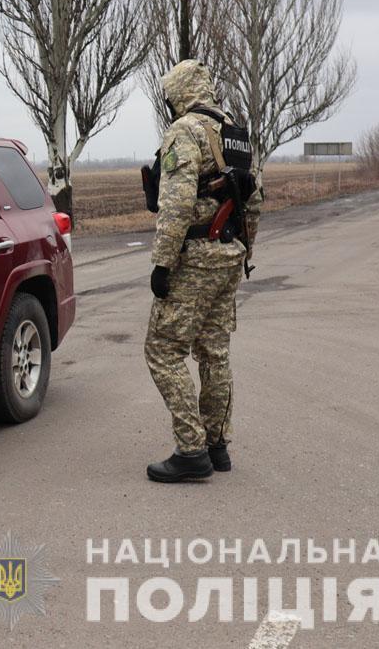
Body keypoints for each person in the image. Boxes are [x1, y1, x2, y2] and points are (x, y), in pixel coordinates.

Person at [144, 59, 262, 483]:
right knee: (214, 352)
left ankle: (191, 449)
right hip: (229, 254)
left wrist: (162, 263)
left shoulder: (184, 131)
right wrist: (245, 251)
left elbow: (174, 206)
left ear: (177, 93)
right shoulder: (235, 134)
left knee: (162, 350)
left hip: (194, 257)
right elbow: (255, 200)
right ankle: (217, 445)